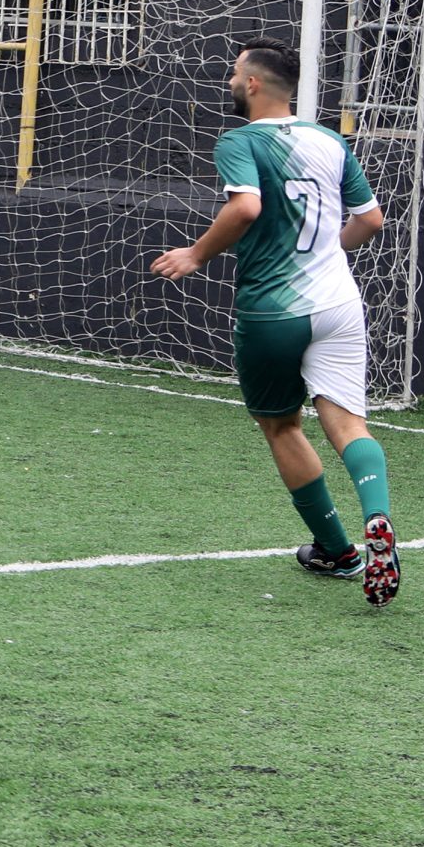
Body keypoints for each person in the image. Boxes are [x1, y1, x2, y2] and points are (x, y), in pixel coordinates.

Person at [151, 39, 401, 607]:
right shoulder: (330, 140)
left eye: (236, 73)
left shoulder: (239, 140)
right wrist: (323, 257)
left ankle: (337, 551)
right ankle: (378, 515)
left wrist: (194, 255)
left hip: (273, 310)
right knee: (348, 424)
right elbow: (371, 221)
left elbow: (245, 208)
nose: (231, 82)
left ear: (256, 84)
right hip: (339, 305)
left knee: (283, 426)